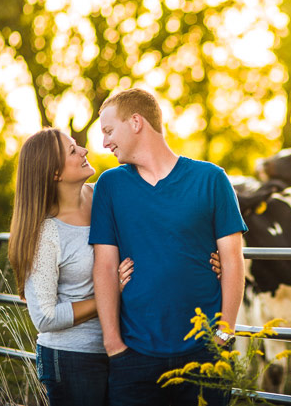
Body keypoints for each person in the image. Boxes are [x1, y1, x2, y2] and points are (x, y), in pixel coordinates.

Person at [90, 88, 247, 406]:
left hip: (206, 352)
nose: (105, 143)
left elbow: (232, 260)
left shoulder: (212, 179)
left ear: (136, 122)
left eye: (108, 131)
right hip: (134, 356)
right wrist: (113, 345)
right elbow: (105, 265)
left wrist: (224, 335)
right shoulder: (110, 186)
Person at [9, 128, 135, 406]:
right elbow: (45, 317)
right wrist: (110, 293)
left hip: (122, 346)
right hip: (71, 359)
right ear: (55, 173)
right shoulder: (46, 234)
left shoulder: (102, 197)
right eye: (73, 150)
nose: (85, 151)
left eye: (78, 146)